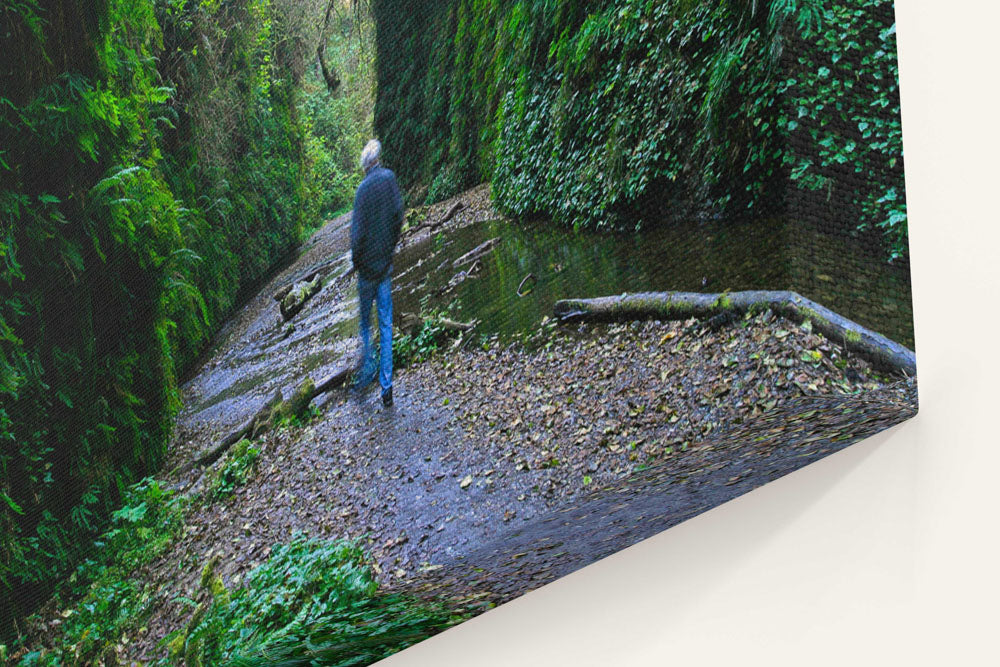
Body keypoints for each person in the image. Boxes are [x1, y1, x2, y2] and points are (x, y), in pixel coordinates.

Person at [350, 139, 403, 407]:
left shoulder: (362, 191)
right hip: (384, 268)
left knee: (365, 327)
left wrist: (356, 263)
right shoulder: (390, 179)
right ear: (378, 159)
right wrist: (390, 248)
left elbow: (356, 235)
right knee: (385, 325)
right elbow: (398, 217)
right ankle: (387, 387)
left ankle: (365, 377)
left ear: (364, 166)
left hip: (366, 273)